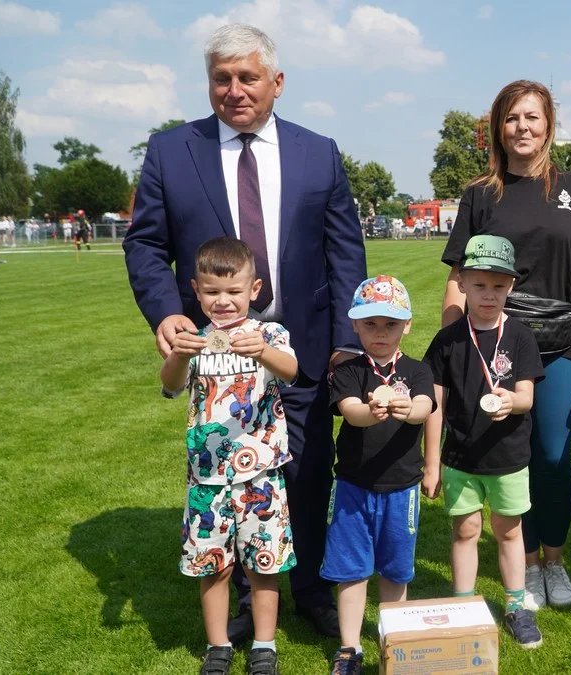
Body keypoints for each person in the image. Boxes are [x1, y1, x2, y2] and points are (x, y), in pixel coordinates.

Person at [123, 23, 365, 643]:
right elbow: (146, 244)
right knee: (226, 480)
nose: (234, 90)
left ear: (276, 83)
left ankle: (308, 588)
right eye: (221, 78)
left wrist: (346, 340)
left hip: (301, 349)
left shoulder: (319, 152)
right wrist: (164, 314)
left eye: (248, 77)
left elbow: (345, 254)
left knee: (309, 474)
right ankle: (233, 599)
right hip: (218, 359)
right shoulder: (172, 151)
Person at [441, 80, 571, 610]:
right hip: (496, 341)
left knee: (551, 456)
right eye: (511, 118)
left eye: (532, 117)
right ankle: (518, 563)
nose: (522, 127)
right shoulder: (481, 194)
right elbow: (460, 273)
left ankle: (553, 561)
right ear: (499, 127)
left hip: (562, 339)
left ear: (549, 124)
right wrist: (456, 339)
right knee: (500, 456)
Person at [159, 237, 298, 675]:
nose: (223, 301)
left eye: (233, 292)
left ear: (254, 290)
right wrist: (179, 355)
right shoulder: (193, 340)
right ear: (196, 292)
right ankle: (217, 646)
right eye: (212, 292)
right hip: (207, 478)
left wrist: (265, 352)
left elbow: (293, 371)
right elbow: (170, 385)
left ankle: (264, 646)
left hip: (261, 474)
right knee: (212, 567)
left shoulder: (269, 333)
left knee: (263, 565)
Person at [423, 235, 546, 648]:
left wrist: (511, 401)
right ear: (462, 283)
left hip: (509, 456)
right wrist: (432, 463)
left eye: (498, 286)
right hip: (459, 457)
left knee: (509, 532)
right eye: (479, 285)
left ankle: (516, 607)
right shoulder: (447, 340)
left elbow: (527, 397)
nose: (489, 295)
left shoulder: (522, 337)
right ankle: (462, 606)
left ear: (511, 286)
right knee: (466, 530)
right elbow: (435, 406)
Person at [324, 275, 434, 674]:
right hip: (354, 486)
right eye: (370, 324)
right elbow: (350, 412)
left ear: (407, 325)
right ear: (355, 324)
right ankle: (350, 648)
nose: (380, 333)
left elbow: (425, 406)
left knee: (395, 569)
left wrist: (407, 408)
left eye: (390, 324)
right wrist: (373, 411)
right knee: (352, 571)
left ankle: (394, 639)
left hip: (401, 489)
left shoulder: (418, 371)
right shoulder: (349, 370)